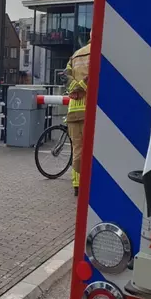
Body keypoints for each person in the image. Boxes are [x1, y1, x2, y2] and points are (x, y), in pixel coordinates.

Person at [65, 33, 92, 196]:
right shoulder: (97, 53)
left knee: (77, 149)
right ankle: (88, 182)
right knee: (91, 149)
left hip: (73, 110)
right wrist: (82, 86)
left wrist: (75, 88)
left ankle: (77, 184)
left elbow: (66, 78)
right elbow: (96, 77)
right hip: (89, 109)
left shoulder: (75, 55)